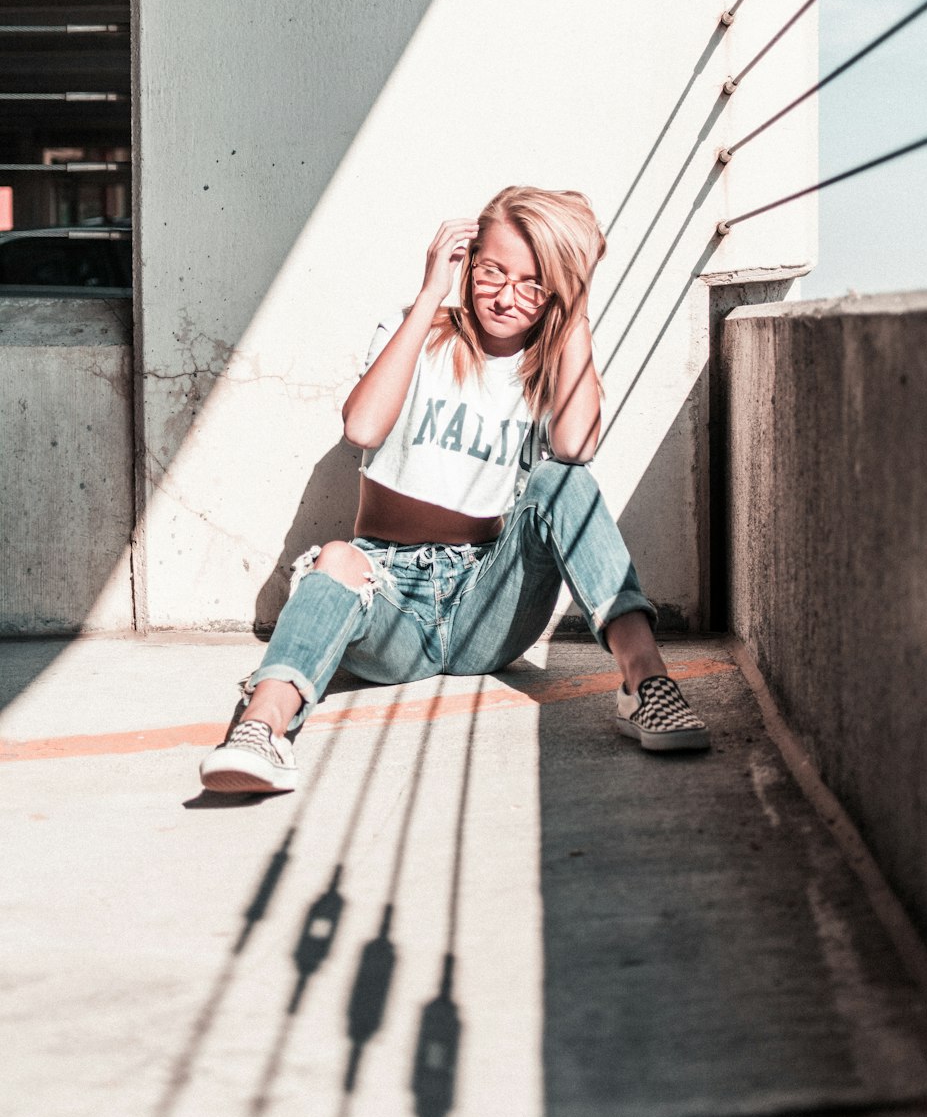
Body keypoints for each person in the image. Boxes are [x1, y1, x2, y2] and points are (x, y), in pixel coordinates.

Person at [199, 186, 709, 794]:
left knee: (558, 479)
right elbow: (362, 426)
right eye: (493, 270)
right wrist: (427, 296)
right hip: (392, 604)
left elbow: (575, 450)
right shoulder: (417, 331)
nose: (507, 295)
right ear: (467, 262)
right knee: (336, 559)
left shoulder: (547, 364)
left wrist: (575, 308)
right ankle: (262, 730)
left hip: (486, 603)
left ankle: (647, 683)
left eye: (532, 283)